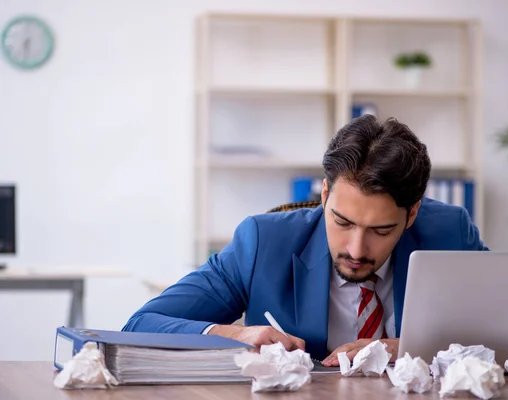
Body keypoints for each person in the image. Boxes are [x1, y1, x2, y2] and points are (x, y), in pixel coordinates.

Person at [122, 114, 488, 366]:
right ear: (325, 196)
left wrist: (407, 349)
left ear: (411, 215)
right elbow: (141, 325)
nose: (357, 250)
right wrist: (233, 335)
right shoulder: (262, 242)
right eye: (342, 222)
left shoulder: (449, 232)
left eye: (380, 231)